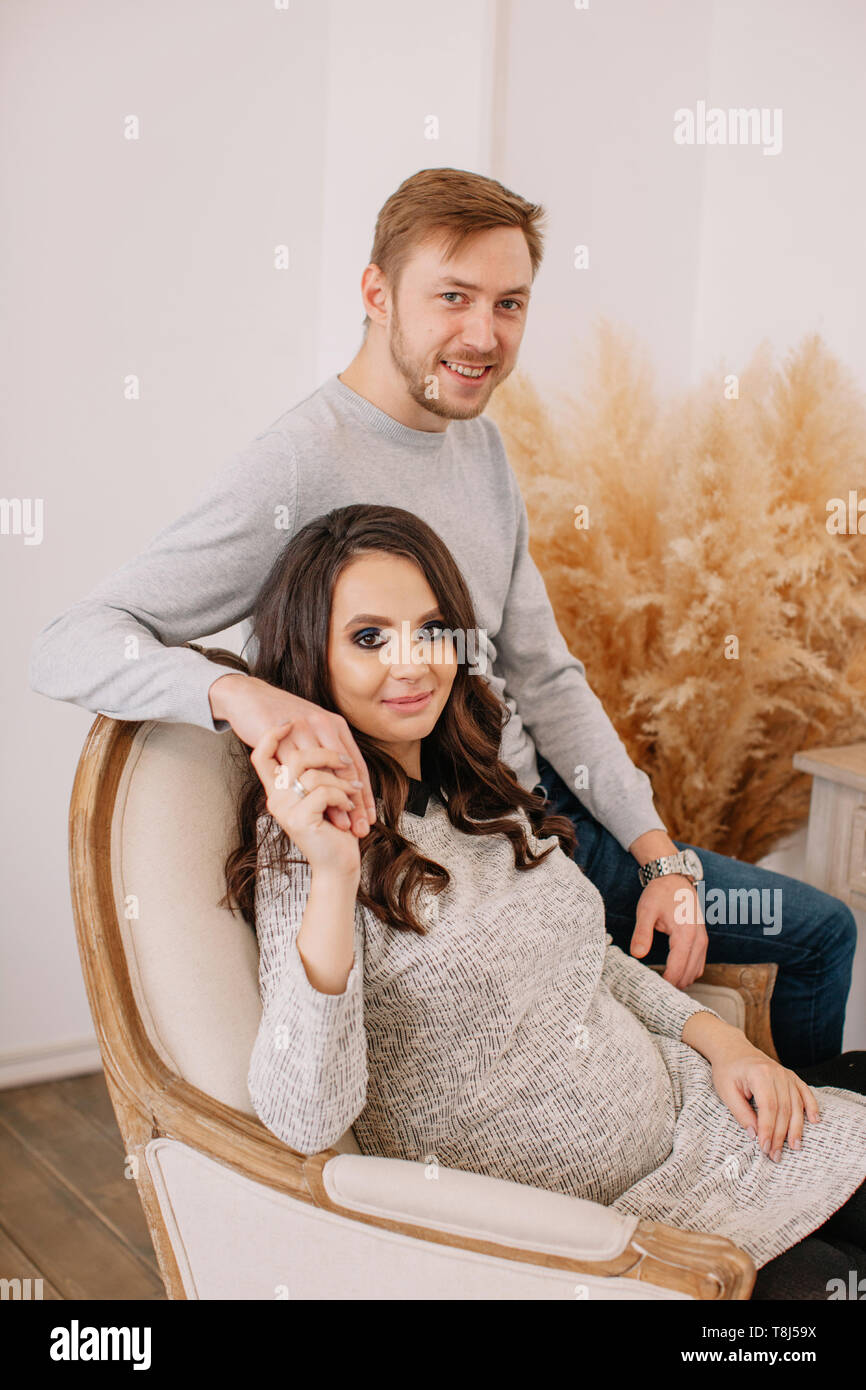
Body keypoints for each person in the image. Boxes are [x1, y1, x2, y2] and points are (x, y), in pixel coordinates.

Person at [28, 166, 856, 1069]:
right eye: (452, 298)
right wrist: (240, 695)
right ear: (376, 294)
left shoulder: (480, 446)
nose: (483, 335)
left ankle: (787, 1165)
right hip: (452, 850)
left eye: (510, 304)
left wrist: (660, 856)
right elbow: (67, 643)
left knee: (816, 930)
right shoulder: (300, 463)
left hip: (543, 818)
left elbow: (544, 674)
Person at [232, 503, 866, 1300]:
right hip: (599, 1236)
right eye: (368, 638)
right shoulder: (308, 848)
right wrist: (331, 874)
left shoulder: (477, 791)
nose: (414, 663)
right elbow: (305, 1117)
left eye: (433, 630)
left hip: (696, 1123)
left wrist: (726, 1047)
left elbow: (586, 963)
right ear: (309, 661)